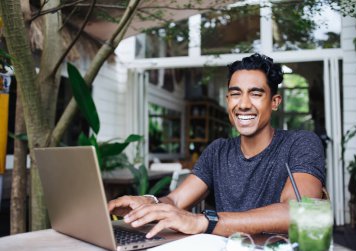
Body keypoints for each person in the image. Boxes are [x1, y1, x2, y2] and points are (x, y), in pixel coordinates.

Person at [108, 53, 325, 238]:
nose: (244, 104)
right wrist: (149, 203)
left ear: (275, 102)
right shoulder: (218, 151)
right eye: (235, 94)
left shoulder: (301, 143)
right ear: (228, 99)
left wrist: (204, 221)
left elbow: (297, 212)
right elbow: (175, 199)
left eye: (256, 94)